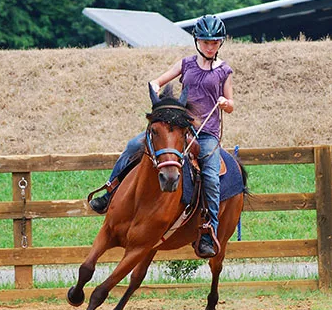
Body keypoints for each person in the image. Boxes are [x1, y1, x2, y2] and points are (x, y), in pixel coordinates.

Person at [88, 14, 234, 258]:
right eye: (206, 42)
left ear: (220, 43)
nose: (211, 46)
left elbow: (231, 103)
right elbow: (157, 81)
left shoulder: (224, 71)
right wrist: (156, 89)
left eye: (215, 42)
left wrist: (225, 102)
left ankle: (209, 230)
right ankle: (110, 191)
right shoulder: (185, 64)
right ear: (197, 41)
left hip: (206, 133)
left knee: (210, 174)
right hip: (178, 128)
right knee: (134, 144)